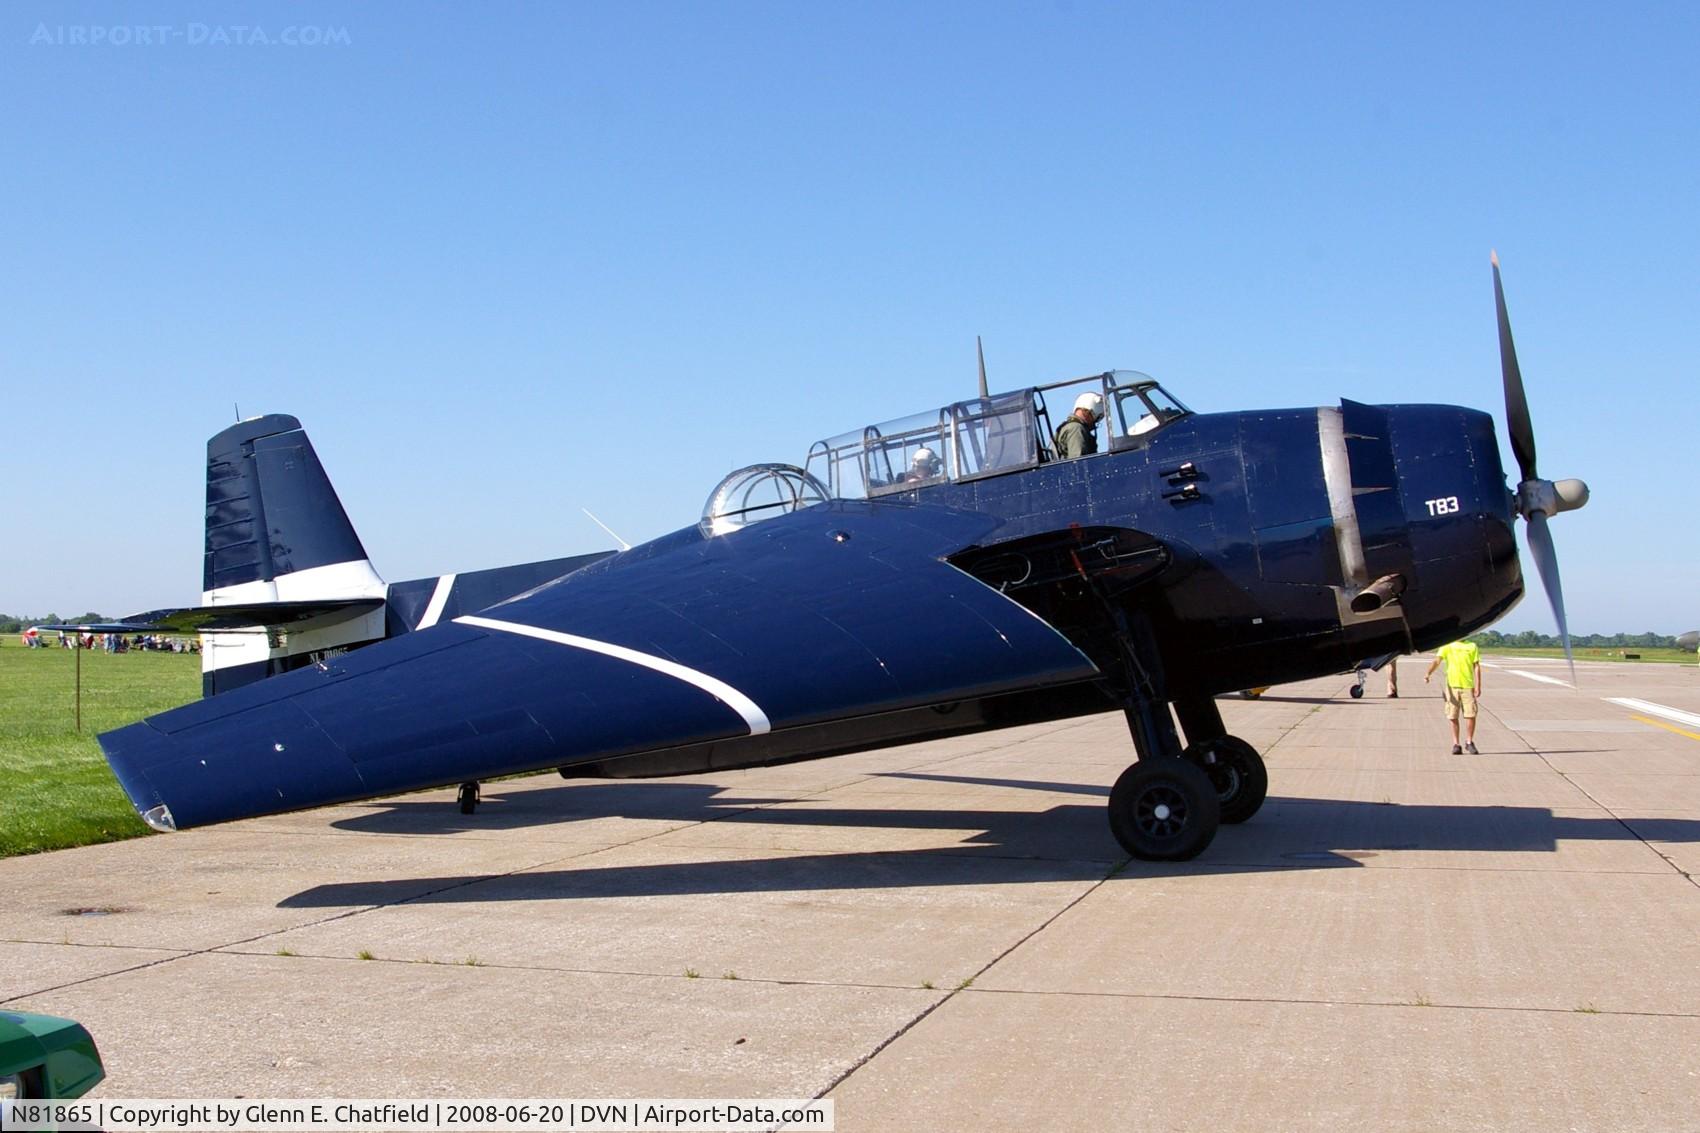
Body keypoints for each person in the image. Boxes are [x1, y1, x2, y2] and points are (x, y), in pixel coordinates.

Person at [1424, 639, 1482, 754]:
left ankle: (1469, 741)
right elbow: (1437, 661)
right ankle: (1456, 744)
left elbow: (1476, 666)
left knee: (1471, 714)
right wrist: (1428, 673)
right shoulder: (1447, 645)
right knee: (1453, 715)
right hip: (1452, 686)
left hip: (1467, 686)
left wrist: (1478, 685)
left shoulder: (1471, 646)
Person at [1055, 392, 1104, 459]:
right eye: (1096, 418)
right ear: (1088, 412)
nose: (1094, 422)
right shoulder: (1076, 429)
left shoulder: (1074, 427)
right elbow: (1078, 462)